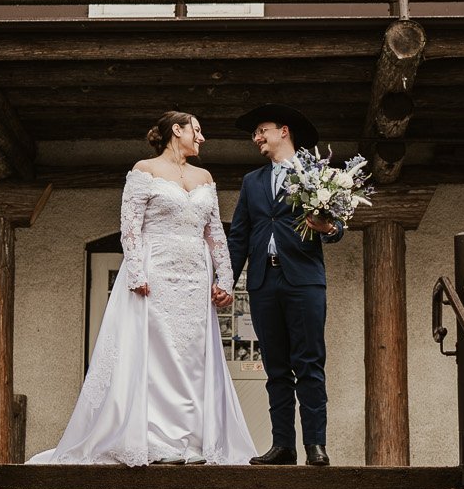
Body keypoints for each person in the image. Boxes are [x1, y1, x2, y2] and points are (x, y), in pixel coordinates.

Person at [29, 111, 258, 465]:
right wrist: (136, 271)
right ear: (176, 131)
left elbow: (215, 234)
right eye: (196, 130)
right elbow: (130, 227)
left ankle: (194, 440)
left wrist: (224, 279)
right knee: (156, 354)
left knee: (192, 356)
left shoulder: (205, 177)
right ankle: (155, 439)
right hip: (155, 272)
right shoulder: (144, 171)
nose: (202, 138)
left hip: (195, 276)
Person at [226, 103, 343, 466]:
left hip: (304, 281)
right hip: (263, 282)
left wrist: (329, 228)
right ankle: (283, 446)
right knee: (275, 368)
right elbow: (240, 237)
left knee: (309, 362)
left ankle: (316, 446)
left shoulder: (315, 175)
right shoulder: (251, 182)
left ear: (284, 131)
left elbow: (336, 226)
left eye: (262, 130)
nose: (256, 138)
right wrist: (225, 283)